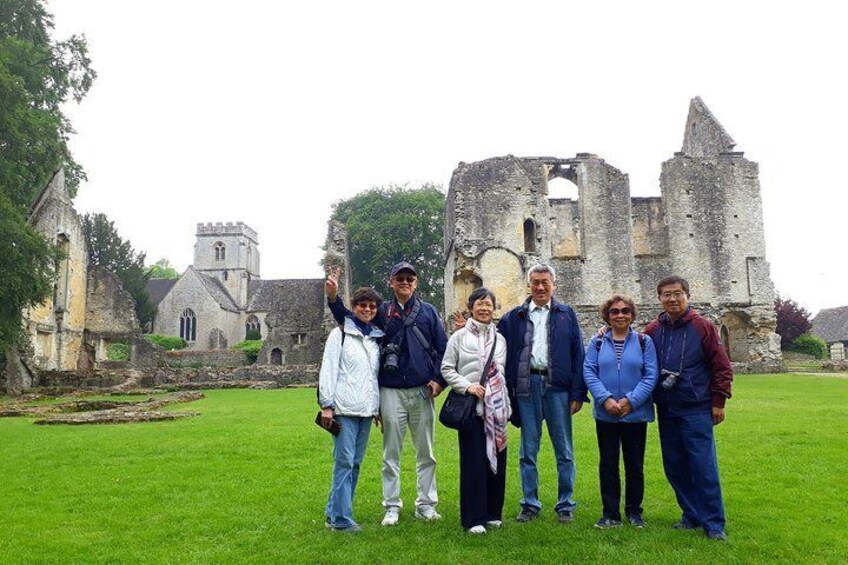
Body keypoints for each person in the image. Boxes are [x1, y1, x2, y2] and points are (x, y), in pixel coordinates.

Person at [326, 262, 448, 526]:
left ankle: (426, 503)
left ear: (416, 283)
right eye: (400, 278)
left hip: (421, 391)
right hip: (390, 390)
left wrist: (439, 381)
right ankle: (391, 505)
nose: (405, 282)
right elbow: (349, 319)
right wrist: (333, 297)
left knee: (426, 451)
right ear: (391, 282)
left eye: (409, 278)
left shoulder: (428, 312)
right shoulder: (381, 311)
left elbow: (443, 349)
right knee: (391, 452)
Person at [644, 276, 733, 541]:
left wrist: (719, 402)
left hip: (696, 407)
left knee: (703, 466)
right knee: (675, 465)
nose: (672, 299)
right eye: (666, 294)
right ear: (659, 298)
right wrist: (604, 332)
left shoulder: (703, 327)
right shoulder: (652, 330)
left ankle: (714, 523)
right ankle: (691, 514)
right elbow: (630, 347)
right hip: (667, 407)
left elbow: (722, 367)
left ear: (688, 296)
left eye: (678, 294)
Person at [497, 263, 587, 523]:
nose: (539, 286)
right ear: (529, 284)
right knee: (528, 450)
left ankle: (566, 504)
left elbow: (577, 354)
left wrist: (577, 393)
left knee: (564, 450)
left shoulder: (566, 314)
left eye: (544, 282)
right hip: (527, 387)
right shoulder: (514, 317)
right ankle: (530, 504)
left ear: (553, 285)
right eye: (535, 282)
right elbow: (495, 343)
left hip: (557, 388)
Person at [583, 295, 658, 529]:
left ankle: (635, 512)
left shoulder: (645, 342)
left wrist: (631, 401)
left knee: (634, 465)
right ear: (607, 316)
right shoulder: (596, 342)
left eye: (625, 311)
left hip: (634, 414)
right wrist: (605, 399)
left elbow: (651, 374)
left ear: (632, 315)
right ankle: (611, 514)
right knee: (608, 464)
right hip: (606, 414)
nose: (620, 315)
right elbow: (589, 371)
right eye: (614, 311)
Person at [441, 288, 510, 534]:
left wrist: (506, 407)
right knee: (473, 465)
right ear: (471, 308)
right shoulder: (459, 337)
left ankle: (493, 513)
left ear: (494, 308)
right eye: (479, 304)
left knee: (497, 463)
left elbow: (503, 374)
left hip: (497, 412)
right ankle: (473, 518)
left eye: (488, 304)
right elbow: (447, 369)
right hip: (472, 411)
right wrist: (468, 386)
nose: (484, 308)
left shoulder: (500, 340)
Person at [318, 287, 385, 533]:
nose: (367, 309)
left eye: (372, 306)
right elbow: (329, 369)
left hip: (366, 410)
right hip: (344, 408)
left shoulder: (374, 338)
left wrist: (376, 408)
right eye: (362, 305)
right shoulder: (340, 334)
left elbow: (372, 376)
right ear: (354, 306)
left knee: (354, 463)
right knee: (344, 462)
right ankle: (341, 520)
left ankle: (333, 512)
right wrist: (327, 405)